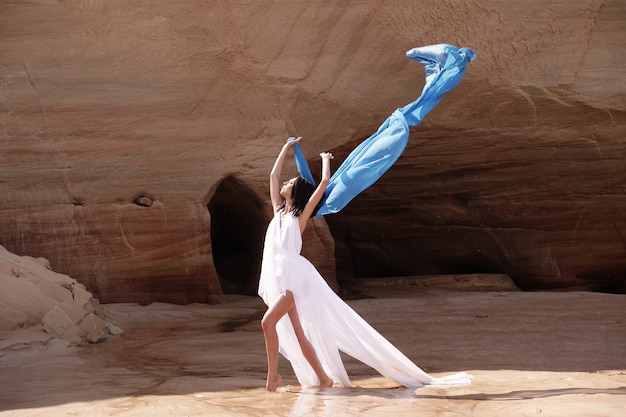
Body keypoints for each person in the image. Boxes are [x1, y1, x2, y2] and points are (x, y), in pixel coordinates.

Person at [258, 137, 472, 392]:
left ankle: (273, 378)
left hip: (295, 278)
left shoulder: (300, 217)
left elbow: (324, 183)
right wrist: (285, 148)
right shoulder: (278, 211)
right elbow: (273, 176)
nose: (284, 183)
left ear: (297, 192)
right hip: (279, 275)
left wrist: (326, 161)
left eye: (290, 182)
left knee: (268, 323)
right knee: (297, 332)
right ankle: (322, 378)